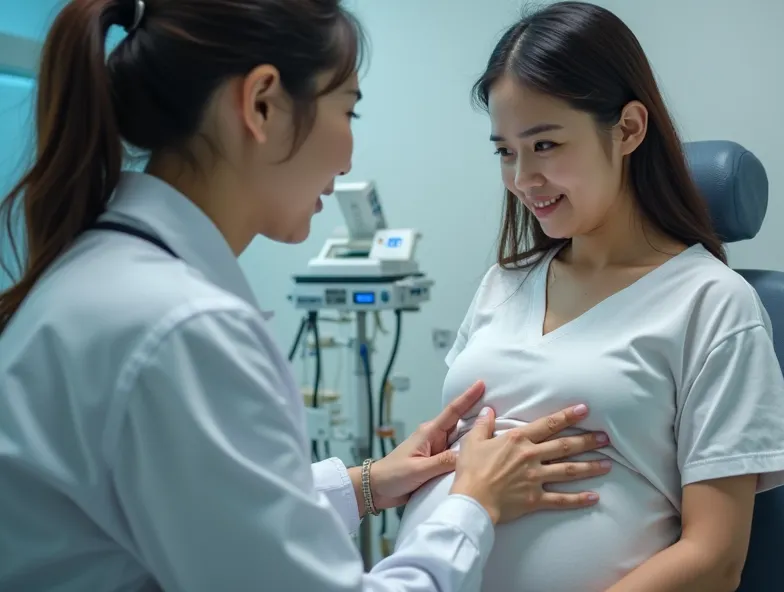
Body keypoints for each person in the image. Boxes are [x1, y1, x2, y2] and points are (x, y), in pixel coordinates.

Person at [0, 0, 616, 590]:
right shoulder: (180, 328)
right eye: (348, 111)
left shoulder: (114, 279)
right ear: (263, 104)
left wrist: (366, 484)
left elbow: (206, 510)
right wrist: (470, 507)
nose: (347, 159)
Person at [394, 2, 784, 591]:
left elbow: (714, 559)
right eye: (505, 151)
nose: (521, 180)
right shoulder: (503, 285)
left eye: (545, 145)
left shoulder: (711, 303)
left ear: (629, 129)